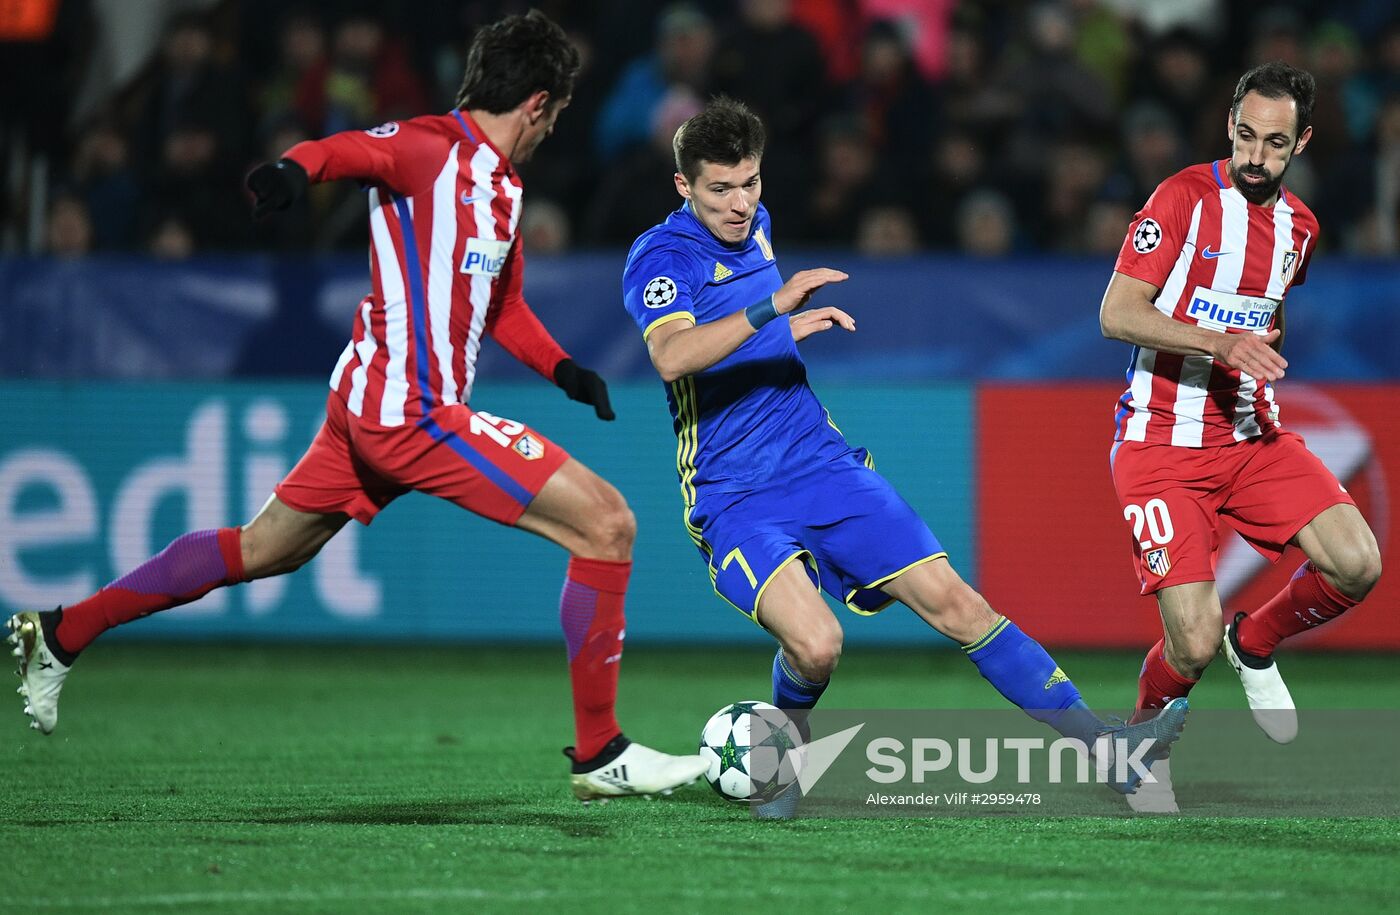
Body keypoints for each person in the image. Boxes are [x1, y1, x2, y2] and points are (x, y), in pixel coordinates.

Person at [7, 10, 707, 803]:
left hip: (367, 407)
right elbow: (343, 151)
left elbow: (501, 305)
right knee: (608, 523)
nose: (552, 132)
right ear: (540, 105)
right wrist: (290, 171)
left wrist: (565, 369)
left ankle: (62, 632)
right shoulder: (430, 147)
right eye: (557, 117)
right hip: (410, 412)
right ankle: (599, 751)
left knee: (262, 548)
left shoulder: (505, 192)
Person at [621, 97, 1187, 817]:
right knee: (819, 645)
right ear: (684, 188)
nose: (740, 204)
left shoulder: (754, 227)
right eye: (720, 189)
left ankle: (1110, 752)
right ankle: (784, 764)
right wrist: (774, 310)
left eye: (751, 183)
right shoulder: (662, 256)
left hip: (820, 463)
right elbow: (672, 355)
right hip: (735, 492)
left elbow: (738, 331)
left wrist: (786, 327)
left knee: (962, 605)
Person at [1099, 61, 1382, 808]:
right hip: (1161, 443)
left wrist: (1253, 352)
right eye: (1247, 135)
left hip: (1251, 437)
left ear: (1304, 142)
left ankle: (1255, 641)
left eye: (1276, 143)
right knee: (1190, 639)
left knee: (1359, 563)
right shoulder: (1184, 198)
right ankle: (1141, 740)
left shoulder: (1303, 229)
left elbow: (1269, 311)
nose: (1257, 156)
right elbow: (1117, 313)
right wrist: (1218, 344)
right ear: (1230, 123)